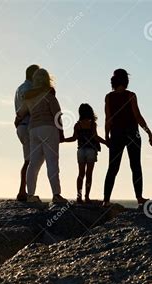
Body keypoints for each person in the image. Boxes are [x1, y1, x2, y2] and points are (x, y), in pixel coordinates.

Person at [103, 69, 152, 207]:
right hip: (132, 133)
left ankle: (106, 200)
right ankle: (139, 198)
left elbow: (108, 119)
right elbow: (138, 116)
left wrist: (107, 135)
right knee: (136, 165)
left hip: (116, 134)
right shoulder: (131, 95)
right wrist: (148, 132)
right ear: (126, 81)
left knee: (112, 167)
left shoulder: (109, 97)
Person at [16, 68, 67, 203]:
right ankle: (56, 195)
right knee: (52, 162)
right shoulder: (49, 95)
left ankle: (31, 195)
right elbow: (57, 115)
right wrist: (61, 133)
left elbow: (20, 114)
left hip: (33, 129)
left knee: (34, 163)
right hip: (49, 128)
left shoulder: (29, 97)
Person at [64, 104, 107, 203]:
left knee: (80, 174)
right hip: (91, 150)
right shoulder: (92, 124)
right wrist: (106, 143)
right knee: (89, 174)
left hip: (80, 150)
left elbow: (73, 138)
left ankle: (79, 196)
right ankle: (87, 197)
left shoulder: (77, 125)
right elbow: (96, 137)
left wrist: (63, 140)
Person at [14, 64, 40, 201]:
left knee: (28, 160)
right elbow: (28, 105)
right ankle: (24, 192)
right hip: (28, 125)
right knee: (30, 161)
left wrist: (17, 118)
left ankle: (23, 190)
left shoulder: (19, 88)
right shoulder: (29, 88)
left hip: (22, 126)